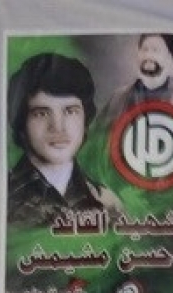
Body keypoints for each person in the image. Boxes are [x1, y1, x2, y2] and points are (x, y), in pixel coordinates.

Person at [7, 52, 122, 228]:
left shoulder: (107, 203)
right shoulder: (2, 196)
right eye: (42, 113)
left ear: (85, 120)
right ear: (21, 123)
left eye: (70, 111)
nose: (58, 127)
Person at [98, 33, 173, 129]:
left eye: (155, 50)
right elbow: (96, 134)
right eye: (145, 50)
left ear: (169, 57)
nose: (148, 55)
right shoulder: (118, 98)